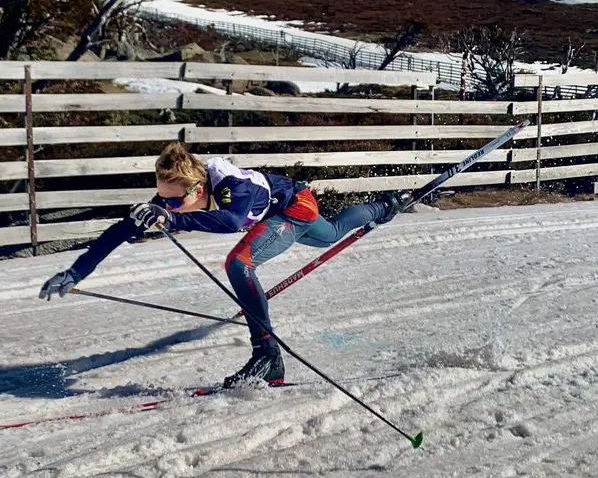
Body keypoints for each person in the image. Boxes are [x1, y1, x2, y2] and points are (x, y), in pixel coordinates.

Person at [39, 142, 410, 387]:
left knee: (240, 263)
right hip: (283, 211)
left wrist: (172, 220)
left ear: (197, 190)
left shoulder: (231, 186)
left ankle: (267, 357)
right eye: (161, 200)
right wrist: (77, 272)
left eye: (172, 201)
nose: (166, 206)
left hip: (294, 206)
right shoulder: (177, 192)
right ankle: (388, 205)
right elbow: (124, 229)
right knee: (329, 233)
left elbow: (232, 222)